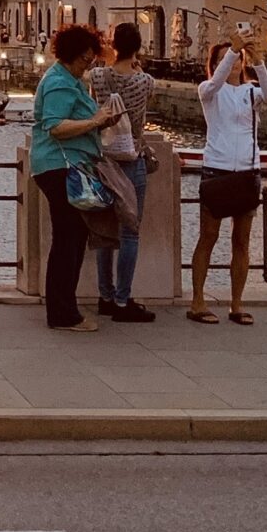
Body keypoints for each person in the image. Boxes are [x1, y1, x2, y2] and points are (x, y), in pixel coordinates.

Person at [30, 23, 125, 332]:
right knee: (67, 239)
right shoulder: (59, 83)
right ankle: (62, 314)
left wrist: (100, 121)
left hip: (67, 166)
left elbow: (74, 121)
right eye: (86, 58)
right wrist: (95, 120)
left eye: (92, 58)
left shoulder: (69, 80)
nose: (90, 63)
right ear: (71, 54)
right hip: (60, 166)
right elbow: (55, 126)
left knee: (71, 237)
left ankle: (64, 309)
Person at [189, 34, 267, 324]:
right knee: (209, 236)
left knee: (242, 240)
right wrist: (232, 51)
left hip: (247, 170)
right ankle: (198, 300)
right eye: (227, 59)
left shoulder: (251, 93)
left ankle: (236, 303)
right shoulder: (209, 92)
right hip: (218, 168)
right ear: (216, 63)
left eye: (238, 59)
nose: (235, 63)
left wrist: (258, 61)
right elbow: (215, 82)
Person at [89, 24, 158, 322]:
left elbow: (94, 91)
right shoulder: (145, 81)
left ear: (114, 45)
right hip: (131, 158)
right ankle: (122, 299)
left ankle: (104, 295)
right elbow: (143, 111)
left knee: (106, 230)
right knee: (130, 231)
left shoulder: (97, 76)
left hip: (103, 159)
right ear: (138, 48)